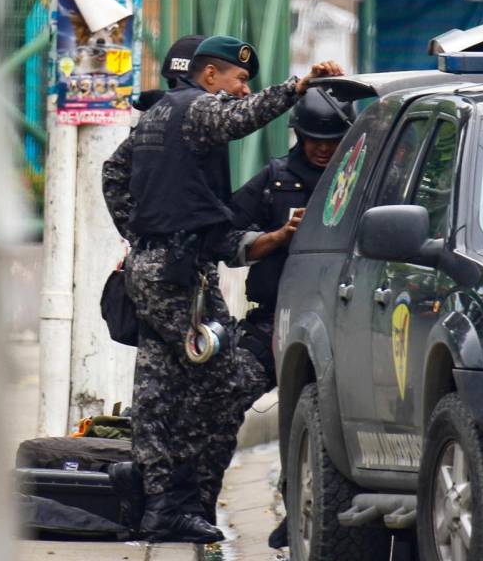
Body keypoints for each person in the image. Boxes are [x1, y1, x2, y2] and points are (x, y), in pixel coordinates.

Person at [101, 35, 344, 543]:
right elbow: (243, 117)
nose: (241, 90)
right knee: (218, 382)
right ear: (210, 77)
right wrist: (299, 86)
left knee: (159, 386)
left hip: (155, 264)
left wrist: (140, 233)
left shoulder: (158, 115)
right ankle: (180, 503)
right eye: (238, 79)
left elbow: (113, 172)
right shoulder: (196, 108)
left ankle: (155, 502)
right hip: (176, 271)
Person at [228, 88, 355, 549]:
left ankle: (301, 511)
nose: (322, 148)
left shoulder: (362, 178)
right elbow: (227, 231)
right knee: (223, 396)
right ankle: (193, 503)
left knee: (322, 423)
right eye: (313, 139)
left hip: (342, 322)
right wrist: (275, 237)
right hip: (274, 321)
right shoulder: (274, 179)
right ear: (298, 135)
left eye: (332, 139)